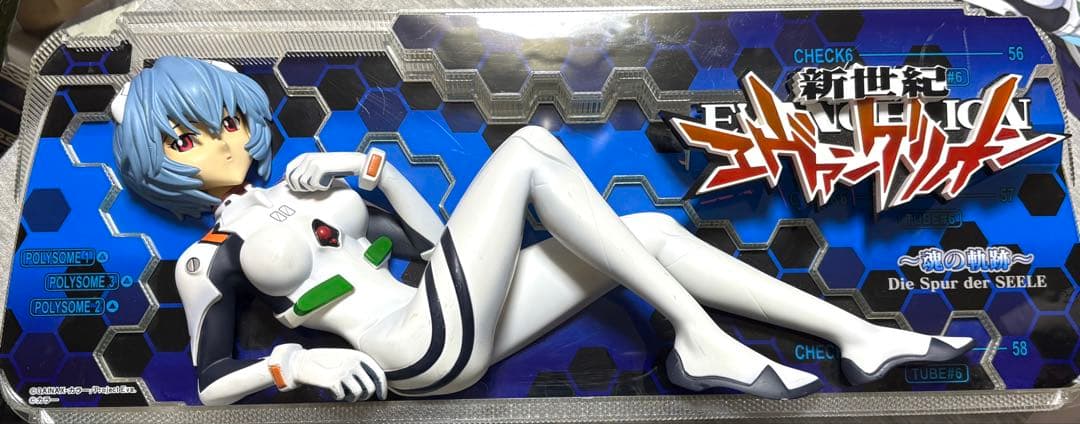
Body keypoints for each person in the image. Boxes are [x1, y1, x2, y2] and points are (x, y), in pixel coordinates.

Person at [111, 56, 974, 406]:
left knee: (648, 229)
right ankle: (702, 339)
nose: (219, 142)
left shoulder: (312, 184)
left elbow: (435, 243)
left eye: (227, 119)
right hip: (408, 353)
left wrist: (371, 173)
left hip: (447, 312)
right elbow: (208, 382)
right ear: (156, 162)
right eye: (184, 138)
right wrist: (292, 364)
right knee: (528, 147)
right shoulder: (205, 260)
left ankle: (858, 336)